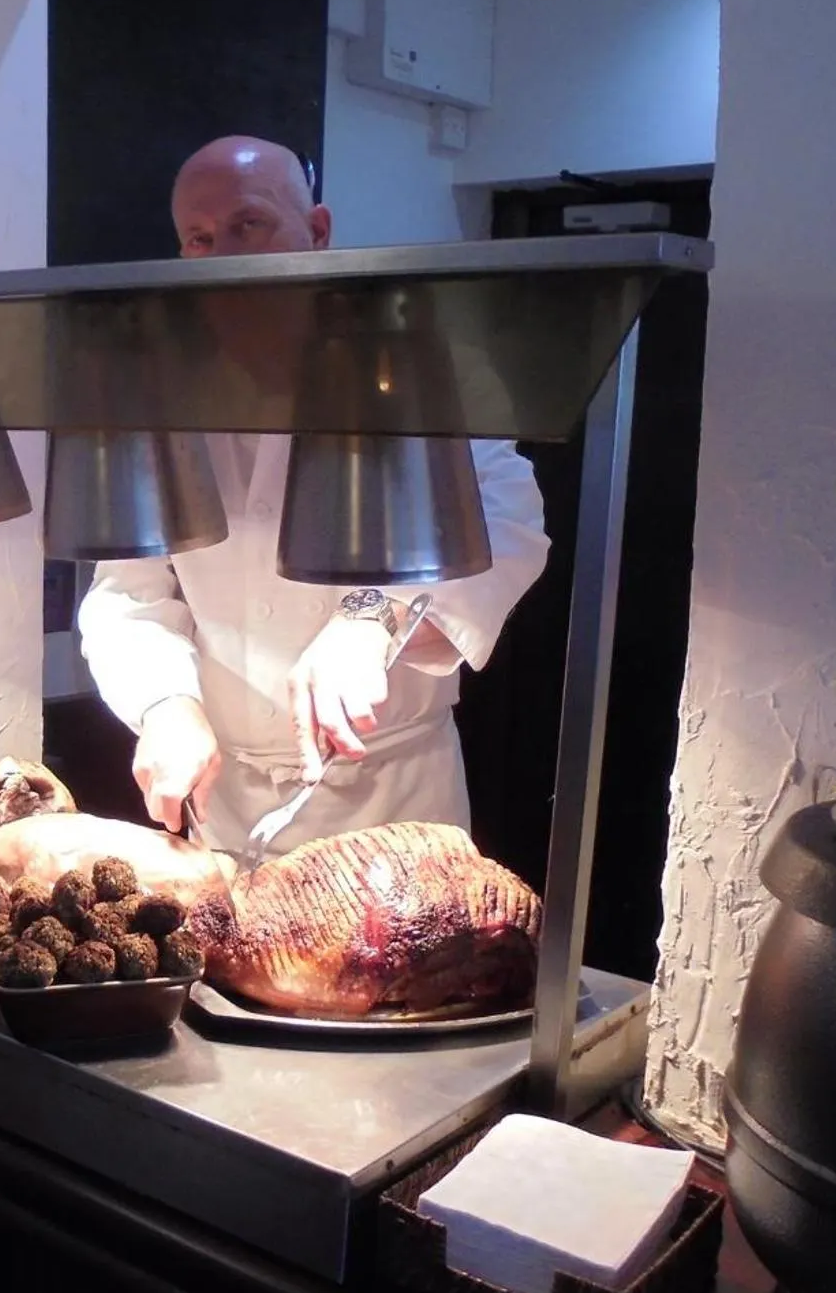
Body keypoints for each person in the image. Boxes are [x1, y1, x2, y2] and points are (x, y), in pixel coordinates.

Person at [76, 135, 551, 854]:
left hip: (394, 803)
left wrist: (375, 615)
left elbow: (508, 522)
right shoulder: (161, 397)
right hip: (226, 805)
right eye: (200, 240)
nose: (226, 257)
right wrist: (165, 705)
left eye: (248, 224)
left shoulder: (425, 366)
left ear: (318, 231)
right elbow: (128, 593)